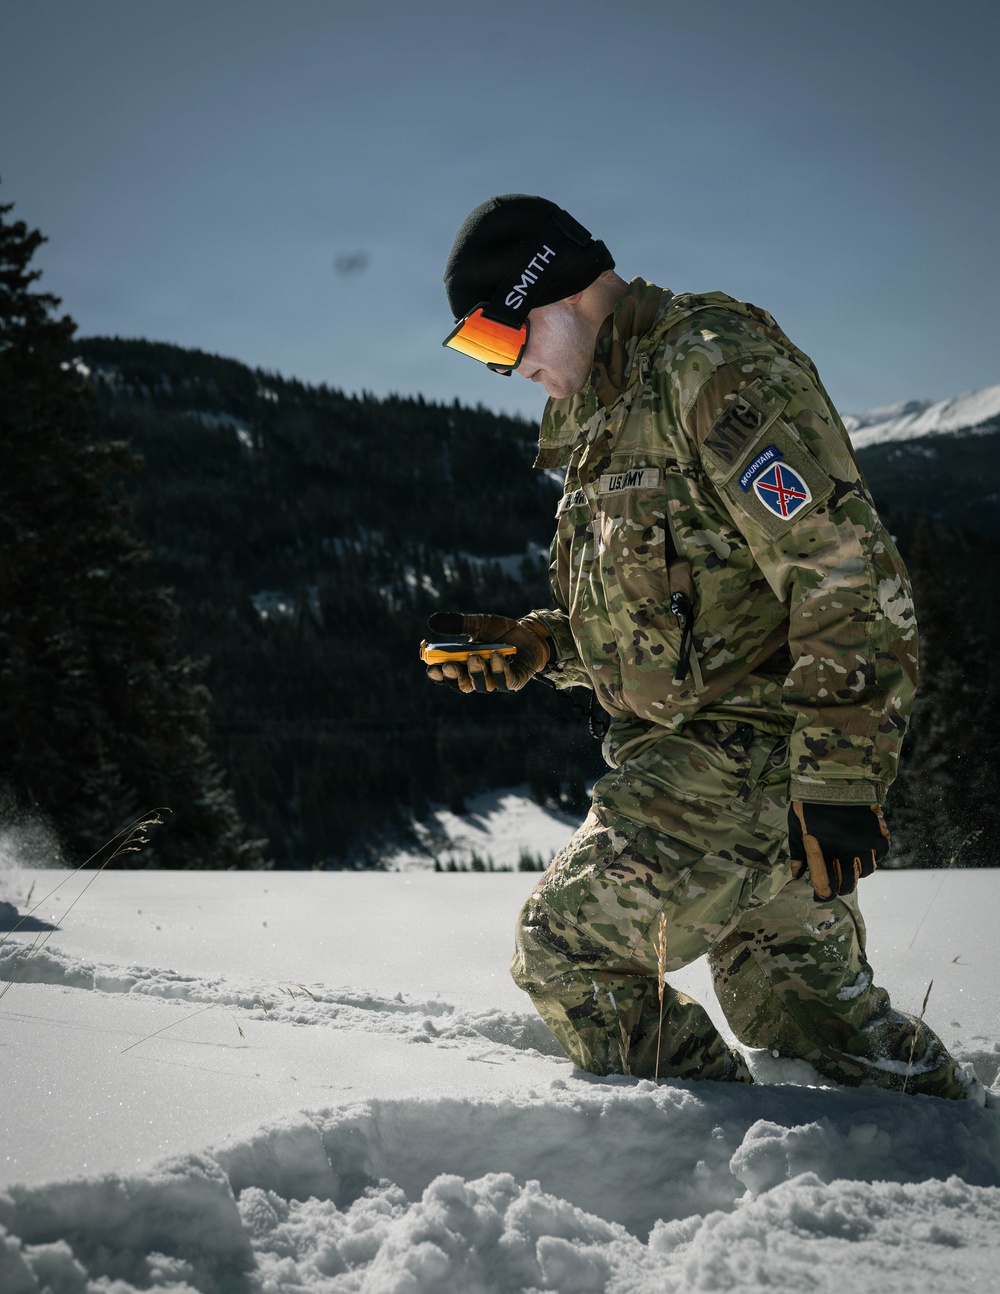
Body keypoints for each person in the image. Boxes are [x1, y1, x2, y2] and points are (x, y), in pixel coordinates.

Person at [427, 193, 981, 1100]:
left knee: (568, 946)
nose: (503, 371)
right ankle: (947, 1161)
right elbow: (665, 616)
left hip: (754, 760)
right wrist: (539, 646)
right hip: (727, 767)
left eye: (496, 342)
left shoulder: (709, 366)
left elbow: (843, 568)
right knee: (798, 1012)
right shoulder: (604, 415)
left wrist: (840, 779)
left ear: (553, 295)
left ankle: (698, 1162)